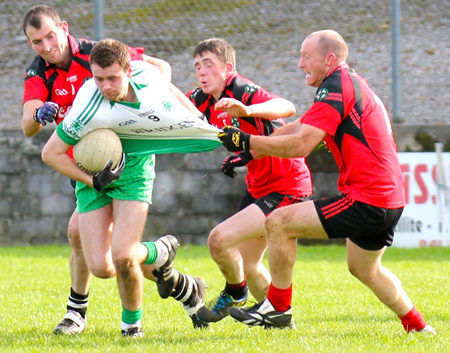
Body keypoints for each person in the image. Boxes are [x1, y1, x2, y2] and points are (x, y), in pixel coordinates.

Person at [219, 30, 436, 334]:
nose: (299, 64)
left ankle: (278, 308)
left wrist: (246, 138)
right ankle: (418, 326)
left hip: (367, 198)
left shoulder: (336, 86)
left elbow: (302, 145)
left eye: (306, 56)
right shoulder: (346, 82)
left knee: (279, 222)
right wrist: (250, 152)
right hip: (389, 199)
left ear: (329, 59)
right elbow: (299, 125)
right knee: (364, 269)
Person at [22, 6, 208, 336]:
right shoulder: (37, 73)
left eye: (50, 36)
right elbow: (27, 126)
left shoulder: (99, 52)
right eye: (36, 41)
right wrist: (40, 114)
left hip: (127, 157)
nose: (47, 46)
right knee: (102, 255)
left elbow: (159, 69)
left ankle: (77, 313)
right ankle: (180, 283)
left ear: (64, 28)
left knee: (102, 245)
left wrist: (155, 100)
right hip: (84, 162)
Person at [186, 38, 312, 324]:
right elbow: (175, 104)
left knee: (218, 240)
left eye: (209, 65)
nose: (202, 72)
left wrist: (247, 110)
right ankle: (279, 321)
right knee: (250, 263)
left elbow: (287, 107)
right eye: (197, 66)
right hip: (260, 186)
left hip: (286, 185)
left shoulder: (240, 89)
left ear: (228, 68)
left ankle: (235, 291)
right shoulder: (203, 98)